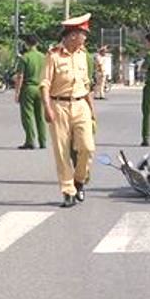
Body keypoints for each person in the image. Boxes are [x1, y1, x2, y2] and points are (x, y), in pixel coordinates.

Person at [40, 13, 97, 208]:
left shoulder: (83, 55)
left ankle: (79, 180)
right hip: (59, 106)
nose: (85, 37)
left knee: (87, 147)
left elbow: (86, 84)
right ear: (73, 35)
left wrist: (92, 110)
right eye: (83, 34)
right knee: (62, 151)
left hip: (81, 105)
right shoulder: (53, 56)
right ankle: (68, 191)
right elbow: (45, 85)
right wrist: (47, 108)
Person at [13, 33, 47, 150]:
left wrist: (17, 92)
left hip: (28, 88)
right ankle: (43, 141)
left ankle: (30, 141)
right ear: (37, 43)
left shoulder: (25, 58)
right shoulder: (43, 57)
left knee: (27, 116)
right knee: (40, 116)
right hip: (41, 88)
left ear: (26, 44)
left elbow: (20, 76)